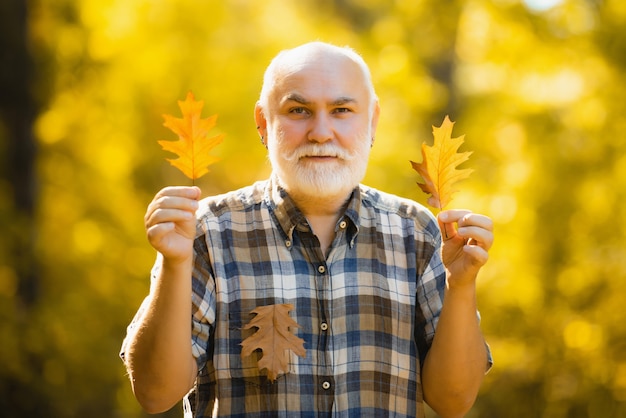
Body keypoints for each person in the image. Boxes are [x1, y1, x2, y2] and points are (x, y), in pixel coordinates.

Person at [120, 41, 494, 418]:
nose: (320, 132)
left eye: (342, 110)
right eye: (298, 110)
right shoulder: (206, 231)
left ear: (372, 121)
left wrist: (460, 285)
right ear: (265, 123)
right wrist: (174, 263)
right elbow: (155, 394)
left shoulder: (418, 233)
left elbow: (453, 400)